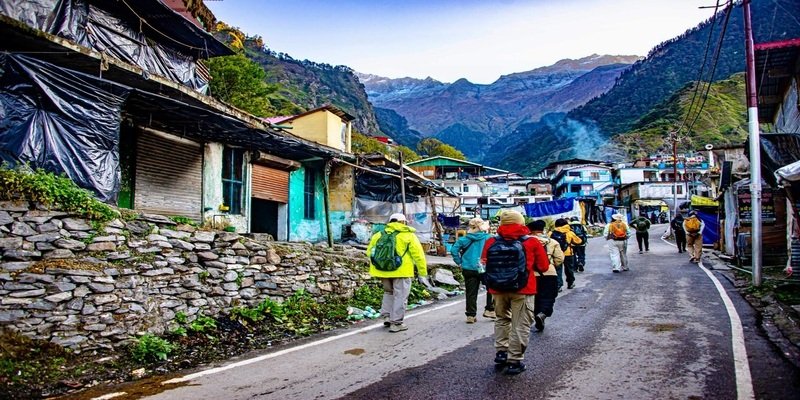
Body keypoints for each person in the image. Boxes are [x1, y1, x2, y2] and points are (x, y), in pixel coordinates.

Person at [480, 210, 549, 375]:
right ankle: (514, 361)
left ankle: (501, 352)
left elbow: (483, 263)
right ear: (521, 223)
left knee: (502, 320)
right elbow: (544, 267)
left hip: (497, 288)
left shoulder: (491, 241)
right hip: (523, 289)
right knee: (520, 324)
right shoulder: (531, 242)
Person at [366, 213, 429, 333]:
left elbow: (370, 252)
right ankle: (396, 323)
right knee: (400, 295)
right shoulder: (408, 235)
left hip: (382, 270)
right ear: (403, 222)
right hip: (402, 271)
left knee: (388, 292)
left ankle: (387, 317)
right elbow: (419, 256)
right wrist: (422, 272)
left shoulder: (378, 235)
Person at [451, 217, 494, 324]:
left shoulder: (464, 239)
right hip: (484, 268)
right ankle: (490, 309)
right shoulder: (489, 238)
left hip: (468, 268)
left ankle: (470, 315)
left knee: (471, 292)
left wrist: (459, 262)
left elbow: (453, 250)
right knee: (492, 289)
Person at [526, 220, 564, 332]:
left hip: (531, 274)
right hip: (549, 273)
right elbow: (559, 259)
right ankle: (543, 313)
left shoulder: (526, 241)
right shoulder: (552, 242)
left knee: (535, 297)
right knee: (549, 296)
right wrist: (551, 265)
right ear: (543, 229)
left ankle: (536, 313)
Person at [551, 218, 583, 289]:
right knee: (569, 269)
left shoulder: (552, 233)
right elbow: (578, 241)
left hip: (556, 254)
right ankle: (570, 283)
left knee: (558, 270)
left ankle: (558, 285)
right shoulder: (569, 233)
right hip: (568, 253)